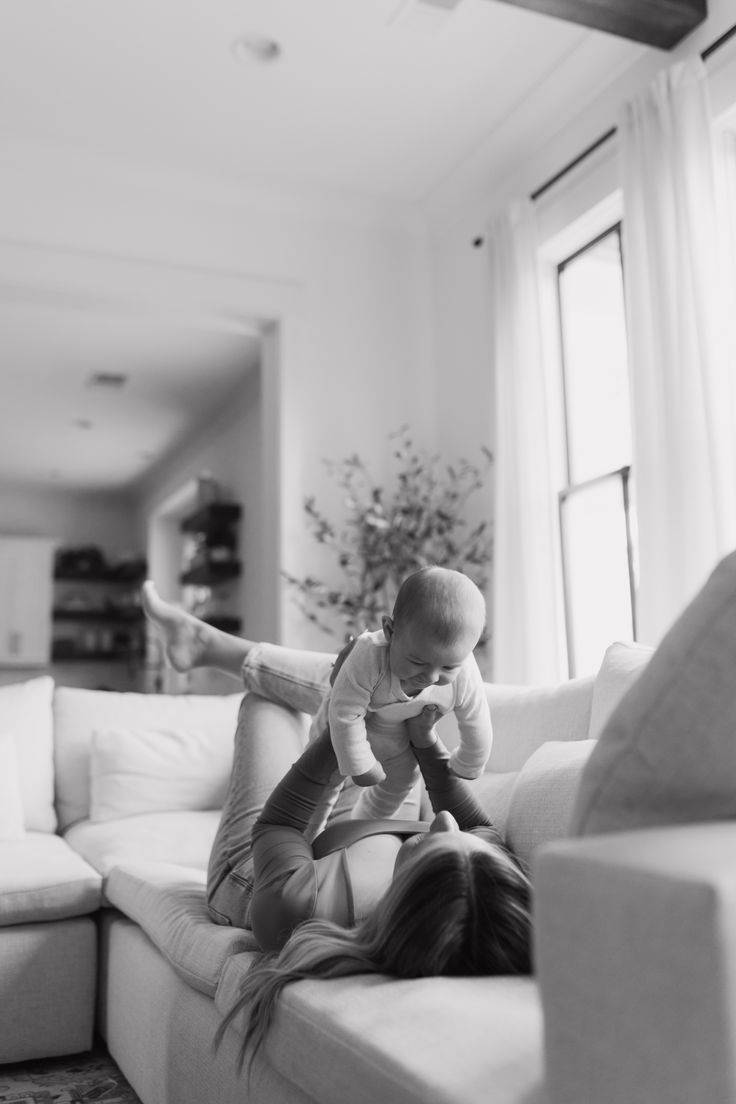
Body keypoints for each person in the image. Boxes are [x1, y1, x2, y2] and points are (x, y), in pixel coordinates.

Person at [141, 581, 532, 1069]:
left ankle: (209, 647)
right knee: (372, 668)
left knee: (266, 703)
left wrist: (340, 733)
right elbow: (477, 827)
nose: (447, 820)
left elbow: (279, 825)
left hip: (259, 865)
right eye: (467, 842)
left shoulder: (303, 906)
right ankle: (209, 645)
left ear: (403, 888)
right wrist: (426, 742)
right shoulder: (472, 896)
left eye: (434, 842)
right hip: (354, 830)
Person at [313, 565, 493, 823]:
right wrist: (359, 764)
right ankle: (308, 832)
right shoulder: (369, 655)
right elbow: (344, 713)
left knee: (401, 782)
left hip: (398, 735)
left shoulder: (465, 671)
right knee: (323, 775)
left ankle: (363, 825)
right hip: (345, 721)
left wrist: (469, 762)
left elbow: (477, 719)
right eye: (418, 662)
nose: (431, 677)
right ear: (389, 631)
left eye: (448, 667)